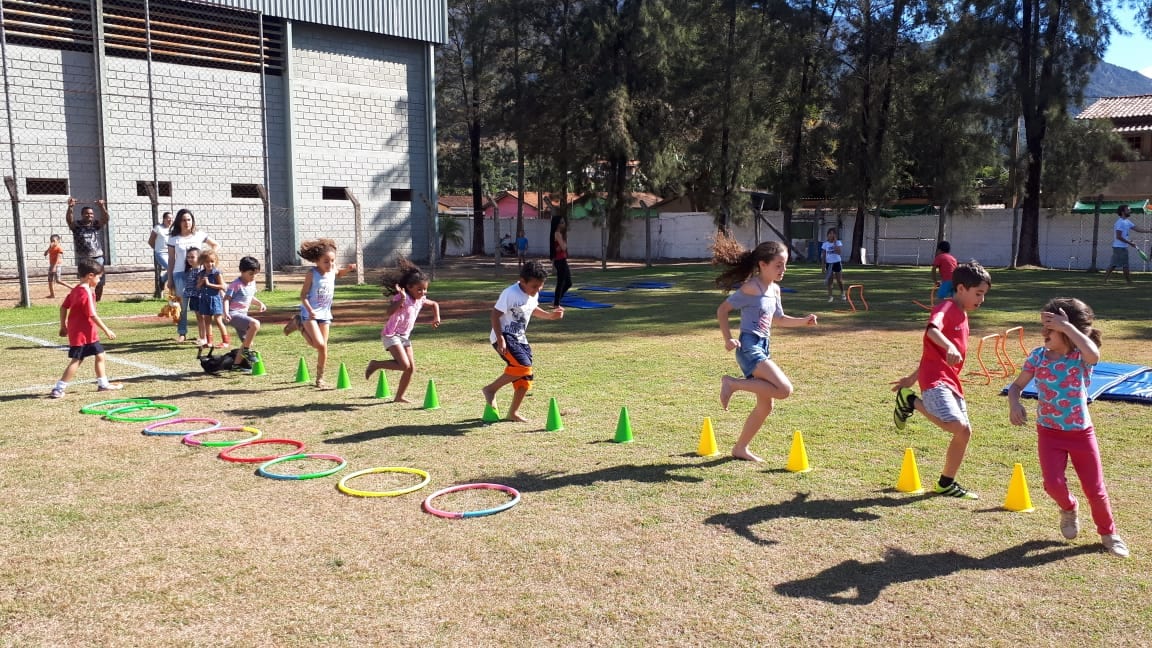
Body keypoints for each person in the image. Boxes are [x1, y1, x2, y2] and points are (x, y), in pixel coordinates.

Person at [1006, 298, 1129, 558]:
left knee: (1095, 489)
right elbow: (1016, 386)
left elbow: (1094, 354)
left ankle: (1109, 535)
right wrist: (1014, 403)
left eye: (1049, 329)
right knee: (1052, 484)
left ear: (1066, 330)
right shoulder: (1038, 356)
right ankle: (1068, 507)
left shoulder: (1080, 358)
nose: (1043, 333)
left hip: (1081, 434)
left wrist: (1066, 326)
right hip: (1048, 433)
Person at [891, 261, 992, 499]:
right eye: (978, 293)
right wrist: (948, 346)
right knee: (958, 426)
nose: (981, 299)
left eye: (984, 294)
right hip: (937, 380)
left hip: (950, 380)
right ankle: (911, 402)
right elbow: (931, 331)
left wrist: (910, 378)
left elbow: (929, 354)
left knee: (964, 433)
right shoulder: (946, 308)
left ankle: (946, 483)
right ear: (960, 289)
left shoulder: (964, 315)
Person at [714, 236, 817, 462]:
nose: (783, 269)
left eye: (785, 264)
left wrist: (803, 321)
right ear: (763, 264)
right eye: (778, 265)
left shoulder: (775, 290)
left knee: (766, 405)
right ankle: (732, 383)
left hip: (764, 346)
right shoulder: (751, 288)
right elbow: (722, 310)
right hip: (749, 346)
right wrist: (728, 339)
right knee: (783, 389)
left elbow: (779, 319)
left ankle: (740, 448)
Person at [482, 260, 564, 422]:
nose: (538, 289)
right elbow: (495, 315)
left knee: (526, 377)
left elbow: (532, 309)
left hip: (520, 339)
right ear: (522, 281)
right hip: (504, 336)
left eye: (540, 286)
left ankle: (513, 413)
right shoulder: (510, 293)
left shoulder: (533, 293)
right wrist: (500, 339)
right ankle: (490, 389)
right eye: (534, 286)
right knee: (524, 366)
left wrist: (550, 315)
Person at [365, 258, 441, 402]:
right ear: (409, 287)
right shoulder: (401, 297)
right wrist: (401, 300)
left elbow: (434, 304)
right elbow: (389, 312)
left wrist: (436, 317)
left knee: (411, 368)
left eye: (425, 289)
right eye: (419, 289)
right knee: (404, 365)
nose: (423, 292)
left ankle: (399, 397)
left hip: (404, 336)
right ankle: (375, 364)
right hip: (391, 335)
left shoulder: (421, 299)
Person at [283, 238, 355, 388]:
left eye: (332, 260)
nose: (330, 264)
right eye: (326, 261)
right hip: (310, 313)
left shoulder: (332, 270)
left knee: (323, 347)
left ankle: (320, 379)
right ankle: (299, 323)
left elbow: (338, 273)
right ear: (317, 261)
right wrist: (310, 311)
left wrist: (348, 269)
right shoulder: (312, 274)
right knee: (319, 345)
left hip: (325, 314)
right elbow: (303, 296)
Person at [49, 258, 122, 398]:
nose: (99, 280)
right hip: (81, 334)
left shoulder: (76, 289)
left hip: (87, 332)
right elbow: (92, 315)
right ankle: (59, 388)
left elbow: (64, 306)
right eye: (99, 277)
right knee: (77, 360)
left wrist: (63, 325)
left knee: (100, 355)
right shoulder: (85, 292)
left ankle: (103, 384)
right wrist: (107, 330)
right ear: (90, 276)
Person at [166, 209, 218, 342]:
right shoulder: (174, 239)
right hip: (179, 274)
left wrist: (208, 259)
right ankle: (182, 333)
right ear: (178, 221)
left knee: (198, 305)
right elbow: (171, 259)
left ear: (192, 221)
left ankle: (203, 335)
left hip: (197, 275)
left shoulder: (199, 235)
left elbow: (215, 245)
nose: (186, 222)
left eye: (189, 219)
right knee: (181, 306)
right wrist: (170, 278)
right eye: (183, 220)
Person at [64, 197, 110, 302]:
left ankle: (97, 301)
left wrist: (102, 206)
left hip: (97, 256)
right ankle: (85, 300)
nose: (90, 215)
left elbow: (106, 219)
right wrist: (70, 207)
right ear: (82, 214)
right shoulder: (77, 226)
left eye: (91, 214)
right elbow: (69, 220)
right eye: (87, 213)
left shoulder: (95, 225)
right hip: (83, 257)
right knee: (84, 281)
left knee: (99, 281)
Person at [223, 255, 266, 367]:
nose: (254, 276)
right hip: (233, 314)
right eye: (251, 274)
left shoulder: (252, 284)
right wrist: (226, 312)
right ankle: (246, 352)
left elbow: (249, 297)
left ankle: (237, 365)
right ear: (242, 271)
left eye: (256, 274)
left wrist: (260, 303)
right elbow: (226, 299)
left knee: (248, 342)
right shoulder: (235, 284)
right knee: (255, 324)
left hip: (243, 315)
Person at [1104, 204, 1149, 284]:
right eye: (1128, 210)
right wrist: (1130, 243)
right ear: (1122, 212)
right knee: (1124, 264)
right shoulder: (1120, 222)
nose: (1129, 211)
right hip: (1119, 247)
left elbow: (1137, 229)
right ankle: (1128, 281)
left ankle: (1105, 280)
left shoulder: (1127, 221)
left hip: (1121, 247)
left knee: (1114, 264)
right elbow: (1118, 237)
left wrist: (1149, 230)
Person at [196, 249, 228, 349]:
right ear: (203, 262)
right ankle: (209, 342)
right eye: (207, 262)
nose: (209, 264)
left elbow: (223, 286)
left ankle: (225, 341)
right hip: (204, 299)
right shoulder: (201, 274)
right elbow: (197, 287)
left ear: (215, 261)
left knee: (218, 321)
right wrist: (201, 282)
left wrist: (209, 284)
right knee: (207, 321)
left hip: (215, 299)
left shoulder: (217, 273)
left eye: (212, 261)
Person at [147, 212, 174, 288]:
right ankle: (164, 281)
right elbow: (150, 241)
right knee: (171, 268)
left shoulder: (173, 229)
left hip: (171, 253)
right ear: (164, 219)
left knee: (174, 269)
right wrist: (157, 249)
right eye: (168, 218)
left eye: (172, 218)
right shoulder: (158, 228)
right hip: (161, 253)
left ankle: (162, 279)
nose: (170, 220)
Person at [550, 219, 572, 308]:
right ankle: (556, 304)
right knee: (561, 282)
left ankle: (556, 301)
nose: (564, 224)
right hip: (560, 261)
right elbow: (563, 248)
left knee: (568, 283)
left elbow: (560, 248)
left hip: (561, 260)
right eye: (562, 222)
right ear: (558, 224)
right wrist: (564, 243)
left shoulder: (558, 234)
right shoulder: (557, 234)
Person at [820, 227, 845, 302]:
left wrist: (835, 243)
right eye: (830, 233)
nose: (831, 235)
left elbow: (839, 252)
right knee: (830, 281)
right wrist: (823, 266)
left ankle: (843, 293)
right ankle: (830, 296)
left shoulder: (838, 243)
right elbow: (824, 255)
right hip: (829, 264)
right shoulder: (825, 244)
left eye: (833, 233)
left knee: (839, 280)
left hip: (837, 263)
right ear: (827, 235)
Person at [43, 234, 70, 298]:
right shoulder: (51, 247)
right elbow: (45, 254)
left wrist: (54, 267)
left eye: (54, 241)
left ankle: (73, 288)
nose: (52, 242)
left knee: (58, 280)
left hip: (57, 266)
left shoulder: (59, 248)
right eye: (51, 241)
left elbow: (58, 258)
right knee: (50, 280)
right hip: (51, 265)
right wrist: (49, 248)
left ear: (58, 241)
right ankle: (52, 294)